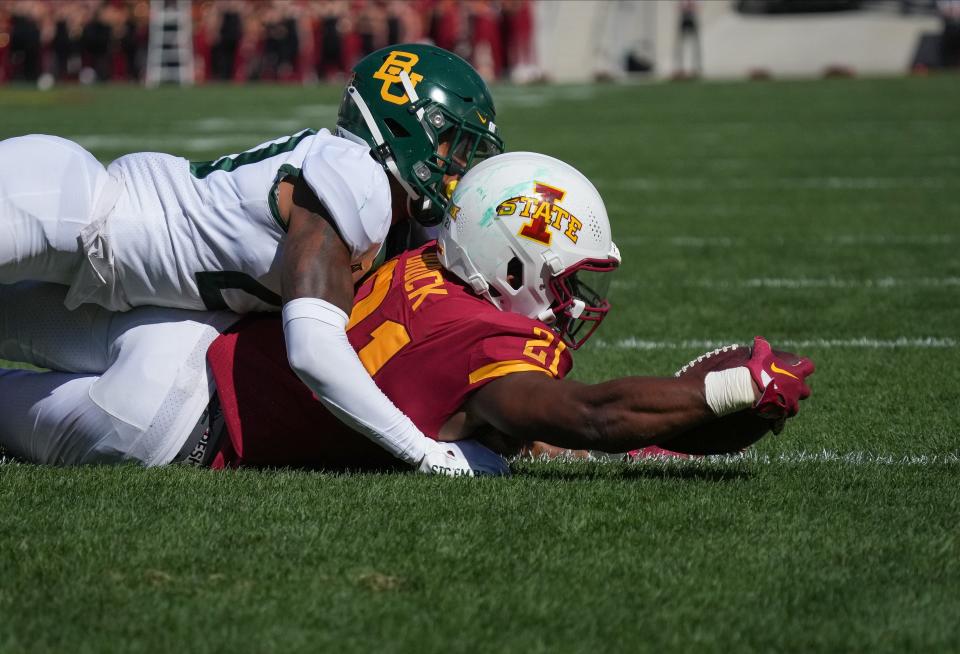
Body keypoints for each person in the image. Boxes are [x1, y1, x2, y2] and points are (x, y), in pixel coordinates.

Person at [0, 153, 814, 472]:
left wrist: (691, 420)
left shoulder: (418, 252)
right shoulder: (488, 348)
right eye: (565, 280)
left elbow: (592, 428)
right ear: (512, 261)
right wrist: (728, 396)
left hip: (184, 339)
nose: (572, 304)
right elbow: (593, 417)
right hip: (175, 423)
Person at [0, 43, 504, 476]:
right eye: (453, 145)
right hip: (69, 210)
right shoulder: (360, 179)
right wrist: (422, 453)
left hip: (122, 295)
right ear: (404, 127)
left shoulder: (400, 218)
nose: (458, 168)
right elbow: (313, 351)